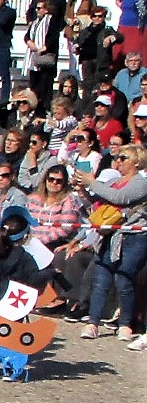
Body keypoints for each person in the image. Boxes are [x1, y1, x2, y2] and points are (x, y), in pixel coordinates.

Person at [72, 141, 147, 339]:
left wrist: (92, 182)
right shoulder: (114, 182)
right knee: (101, 278)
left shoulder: (141, 183)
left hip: (133, 237)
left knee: (123, 278)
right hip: (110, 235)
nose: (118, 161)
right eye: (116, 158)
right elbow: (98, 204)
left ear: (137, 162)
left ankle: (125, 324)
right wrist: (83, 190)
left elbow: (120, 198)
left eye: (123, 158)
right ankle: (93, 322)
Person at [26, 163, 81, 249]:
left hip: (53, 244)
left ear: (64, 183)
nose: (54, 183)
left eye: (59, 181)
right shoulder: (33, 198)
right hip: (29, 242)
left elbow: (66, 228)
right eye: (51, 179)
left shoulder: (69, 200)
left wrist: (41, 241)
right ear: (45, 180)